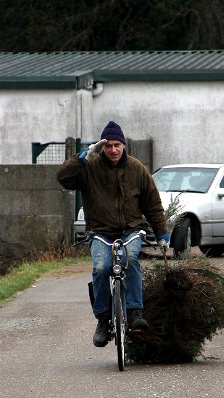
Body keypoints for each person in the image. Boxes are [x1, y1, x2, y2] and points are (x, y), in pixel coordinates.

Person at [56, 121, 170, 348]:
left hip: (131, 230)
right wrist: (82, 158)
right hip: (100, 232)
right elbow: (63, 178)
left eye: (117, 145)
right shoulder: (90, 168)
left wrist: (161, 234)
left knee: (131, 259)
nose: (113, 150)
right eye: (108, 146)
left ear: (124, 145)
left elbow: (153, 203)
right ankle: (103, 318)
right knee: (100, 268)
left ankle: (135, 311)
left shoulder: (137, 169)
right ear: (102, 147)